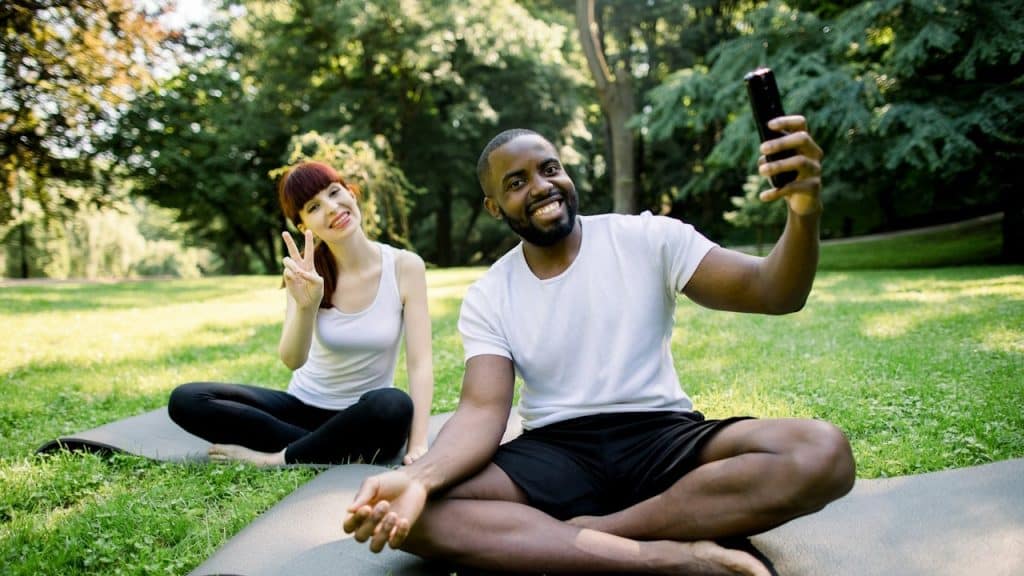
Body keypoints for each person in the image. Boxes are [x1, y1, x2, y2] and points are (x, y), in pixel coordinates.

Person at [342, 117, 855, 575]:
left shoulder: (648, 238)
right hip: (557, 452)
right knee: (413, 515)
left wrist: (804, 210)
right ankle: (663, 556)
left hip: (660, 436)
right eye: (517, 182)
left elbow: (776, 291)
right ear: (494, 207)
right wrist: (422, 479)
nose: (542, 187)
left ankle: (586, 538)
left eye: (550, 169)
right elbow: (481, 410)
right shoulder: (490, 293)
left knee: (821, 452)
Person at [168, 160, 434, 467]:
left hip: (365, 413)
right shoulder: (305, 273)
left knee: (394, 405)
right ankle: (322, 449)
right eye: (314, 207)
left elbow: (420, 362)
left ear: (352, 193)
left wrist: (418, 443)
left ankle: (277, 458)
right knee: (187, 399)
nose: (333, 208)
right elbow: (293, 359)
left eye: (335, 193)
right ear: (303, 226)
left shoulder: (405, 267)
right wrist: (307, 306)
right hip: (301, 410)